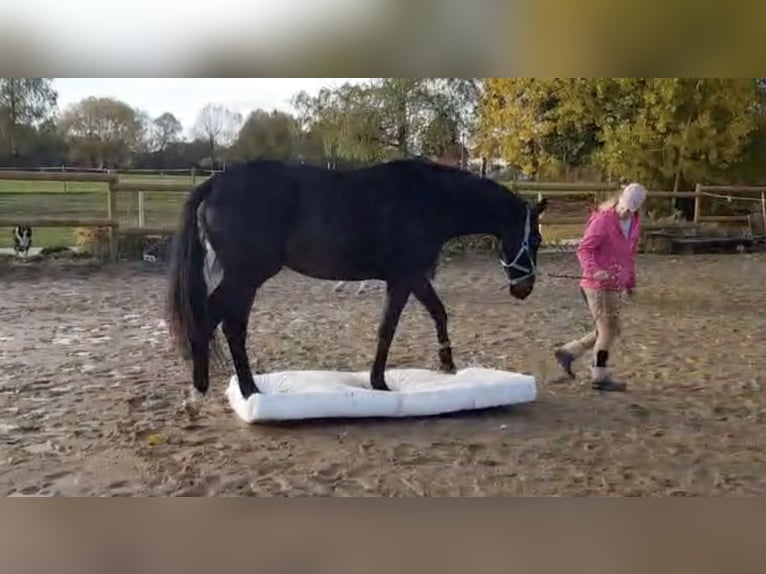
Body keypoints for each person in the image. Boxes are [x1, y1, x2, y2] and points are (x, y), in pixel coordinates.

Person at [553, 182, 648, 392]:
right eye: (623, 206)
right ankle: (599, 374)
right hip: (596, 285)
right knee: (607, 331)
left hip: (615, 284)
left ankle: (569, 353)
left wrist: (630, 282)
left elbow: (629, 256)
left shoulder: (634, 223)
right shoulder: (603, 220)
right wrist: (595, 270)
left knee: (611, 330)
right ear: (619, 199)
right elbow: (584, 249)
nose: (625, 212)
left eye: (630, 209)